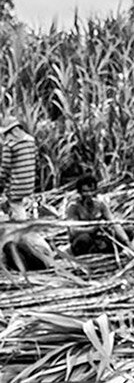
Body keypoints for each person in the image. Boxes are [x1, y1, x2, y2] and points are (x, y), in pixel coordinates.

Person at [0, 114, 54, 270]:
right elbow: (36, 161)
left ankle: (19, 240)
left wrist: (1, 184)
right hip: (28, 186)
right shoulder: (31, 141)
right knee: (21, 208)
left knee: (17, 215)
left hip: (16, 188)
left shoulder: (11, 145)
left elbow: (5, 169)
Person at [64, 174, 130, 256]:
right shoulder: (74, 207)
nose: (89, 194)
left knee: (127, 232)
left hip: (98, 237)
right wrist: (92, 229)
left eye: (91, 191)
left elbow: (114, 223)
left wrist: (126, 241)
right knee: (84, 239)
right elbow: (73, 230)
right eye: (85, 191)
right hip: (83, 239)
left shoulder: (100, 204)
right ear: (80, 192)